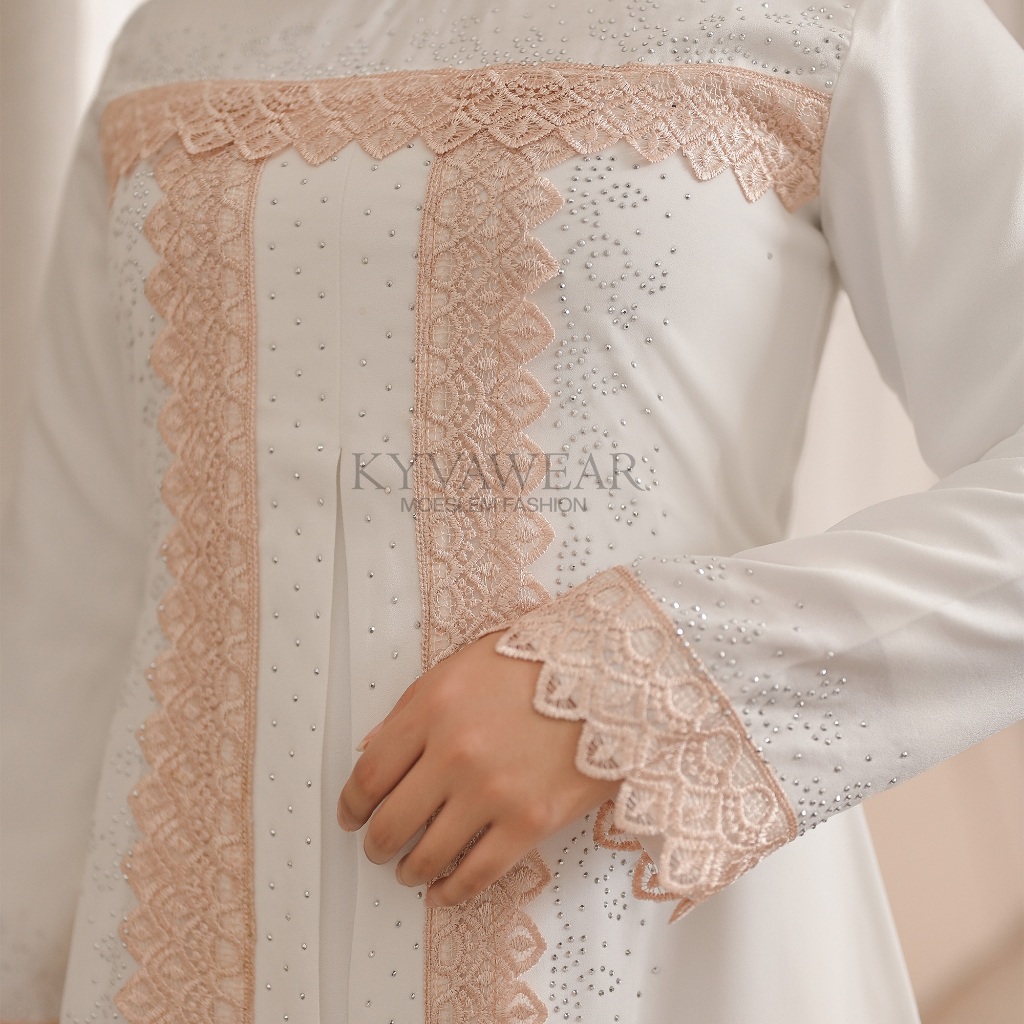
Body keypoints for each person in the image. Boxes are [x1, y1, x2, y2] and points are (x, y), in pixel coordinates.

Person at [2, 0, 1021, 1020]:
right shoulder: (172, 41)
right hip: (168, 956)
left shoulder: (837, 18)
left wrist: (634, 688)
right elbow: (73, 600)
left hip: (633, 950)